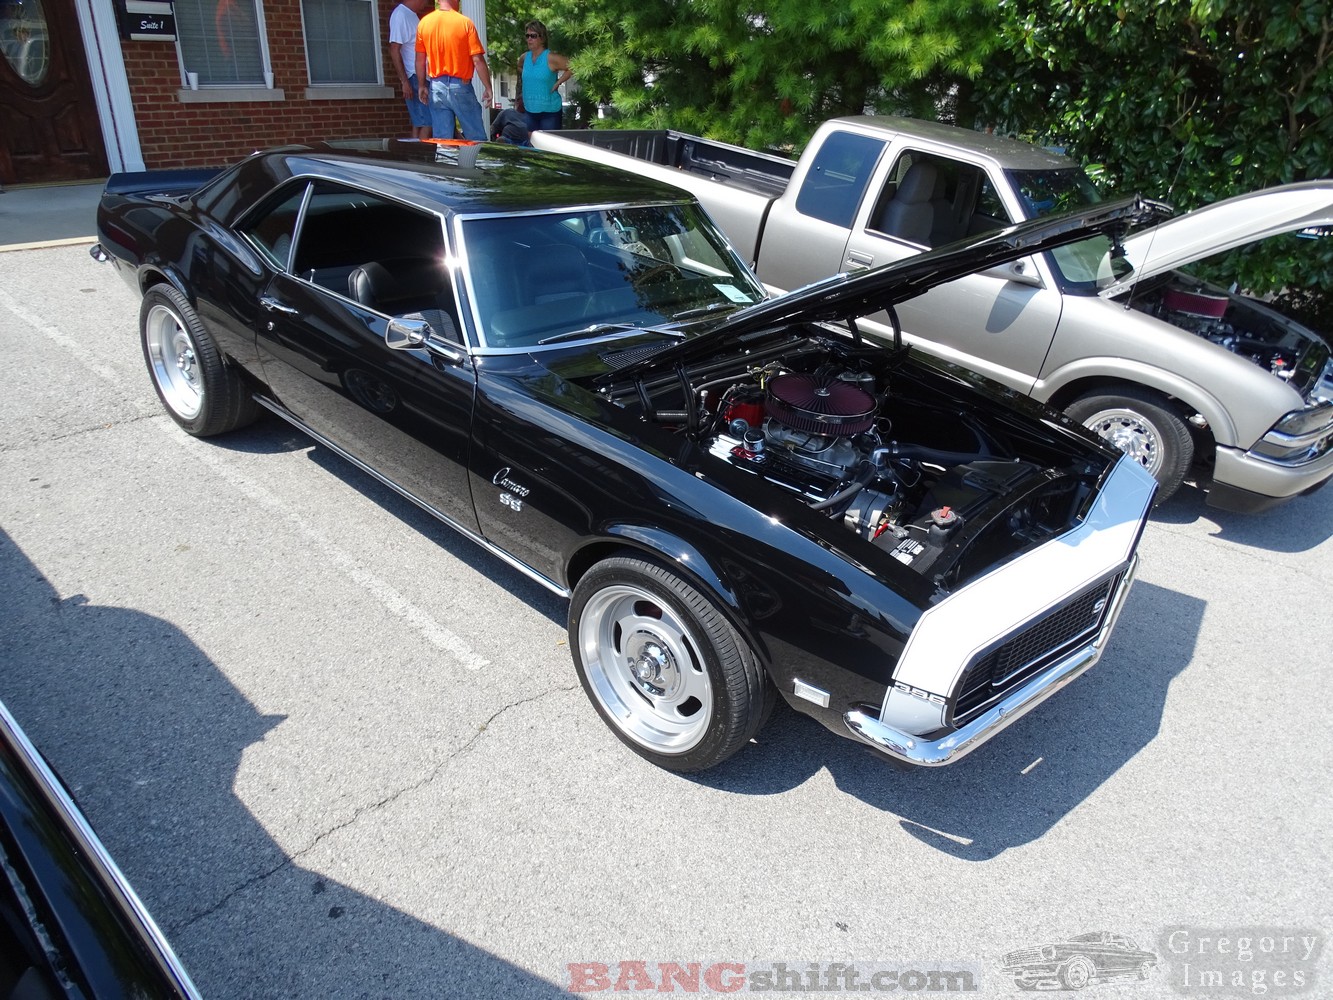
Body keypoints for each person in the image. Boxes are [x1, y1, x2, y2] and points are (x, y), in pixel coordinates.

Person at [415, 0, 492, 142]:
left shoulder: (424, 23)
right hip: (461, 86)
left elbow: (420, 61)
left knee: (443, 141)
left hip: (436, 86)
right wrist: (488, 87)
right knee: (476, 139)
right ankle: (477, 157)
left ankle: (445, 157)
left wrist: (421, 85)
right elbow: (477, 60)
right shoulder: (465, 23)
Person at [516, 20, 571, 133]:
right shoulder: (524, 57)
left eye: (533, 36)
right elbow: (519, 66)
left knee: (548, 143)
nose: (529, 39)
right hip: (529, 110)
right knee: (531, 143)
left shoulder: (551, 58)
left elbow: (573, 66)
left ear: (542, 38)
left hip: (549, 112)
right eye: (527, 36)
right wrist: (531, 77)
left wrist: (559, 82)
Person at [388, 0, 432, 139]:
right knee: (428, 122)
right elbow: (394, 49)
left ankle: (414, 150)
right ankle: (420, 151)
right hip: (414, 76)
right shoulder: (400, 15)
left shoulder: (411, 15)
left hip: (421, 76)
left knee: (419, 122)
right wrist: (404, 81)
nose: (426, 3)